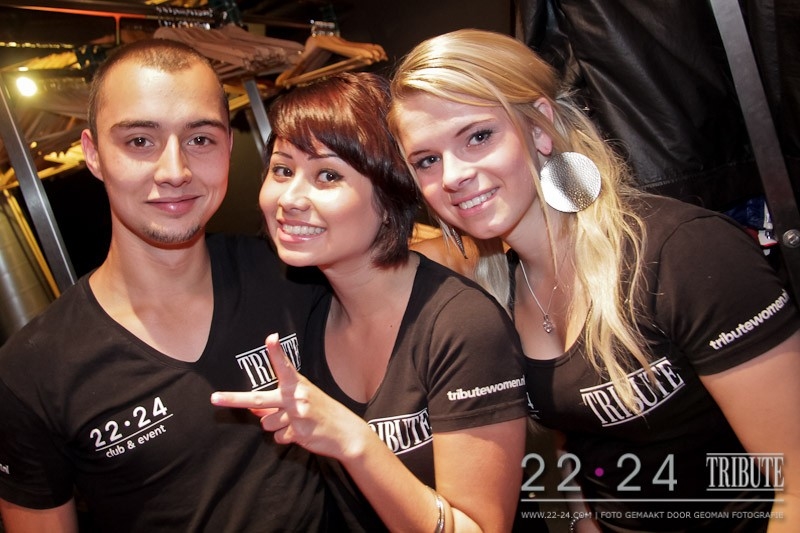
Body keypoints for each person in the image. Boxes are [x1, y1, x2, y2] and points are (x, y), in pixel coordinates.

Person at [387, 28, 800, 533]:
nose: (452, 176)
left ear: (541, 127)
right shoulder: (497, 292)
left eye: (478, 136)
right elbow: (580, 438)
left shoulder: (683, 253)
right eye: (427, 161)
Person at [0, 39, 333, 532]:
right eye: (140, 141)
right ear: (93, 154)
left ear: (228, 146)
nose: (175, 172)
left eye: (200, 139)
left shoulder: (298, 276)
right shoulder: (31, 371)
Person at [210, 72, 529, 532]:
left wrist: (354, 442)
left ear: (389, 195)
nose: (290, 198)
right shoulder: (304, 309)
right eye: (282, 170)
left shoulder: (460, 326)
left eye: (328, 175)